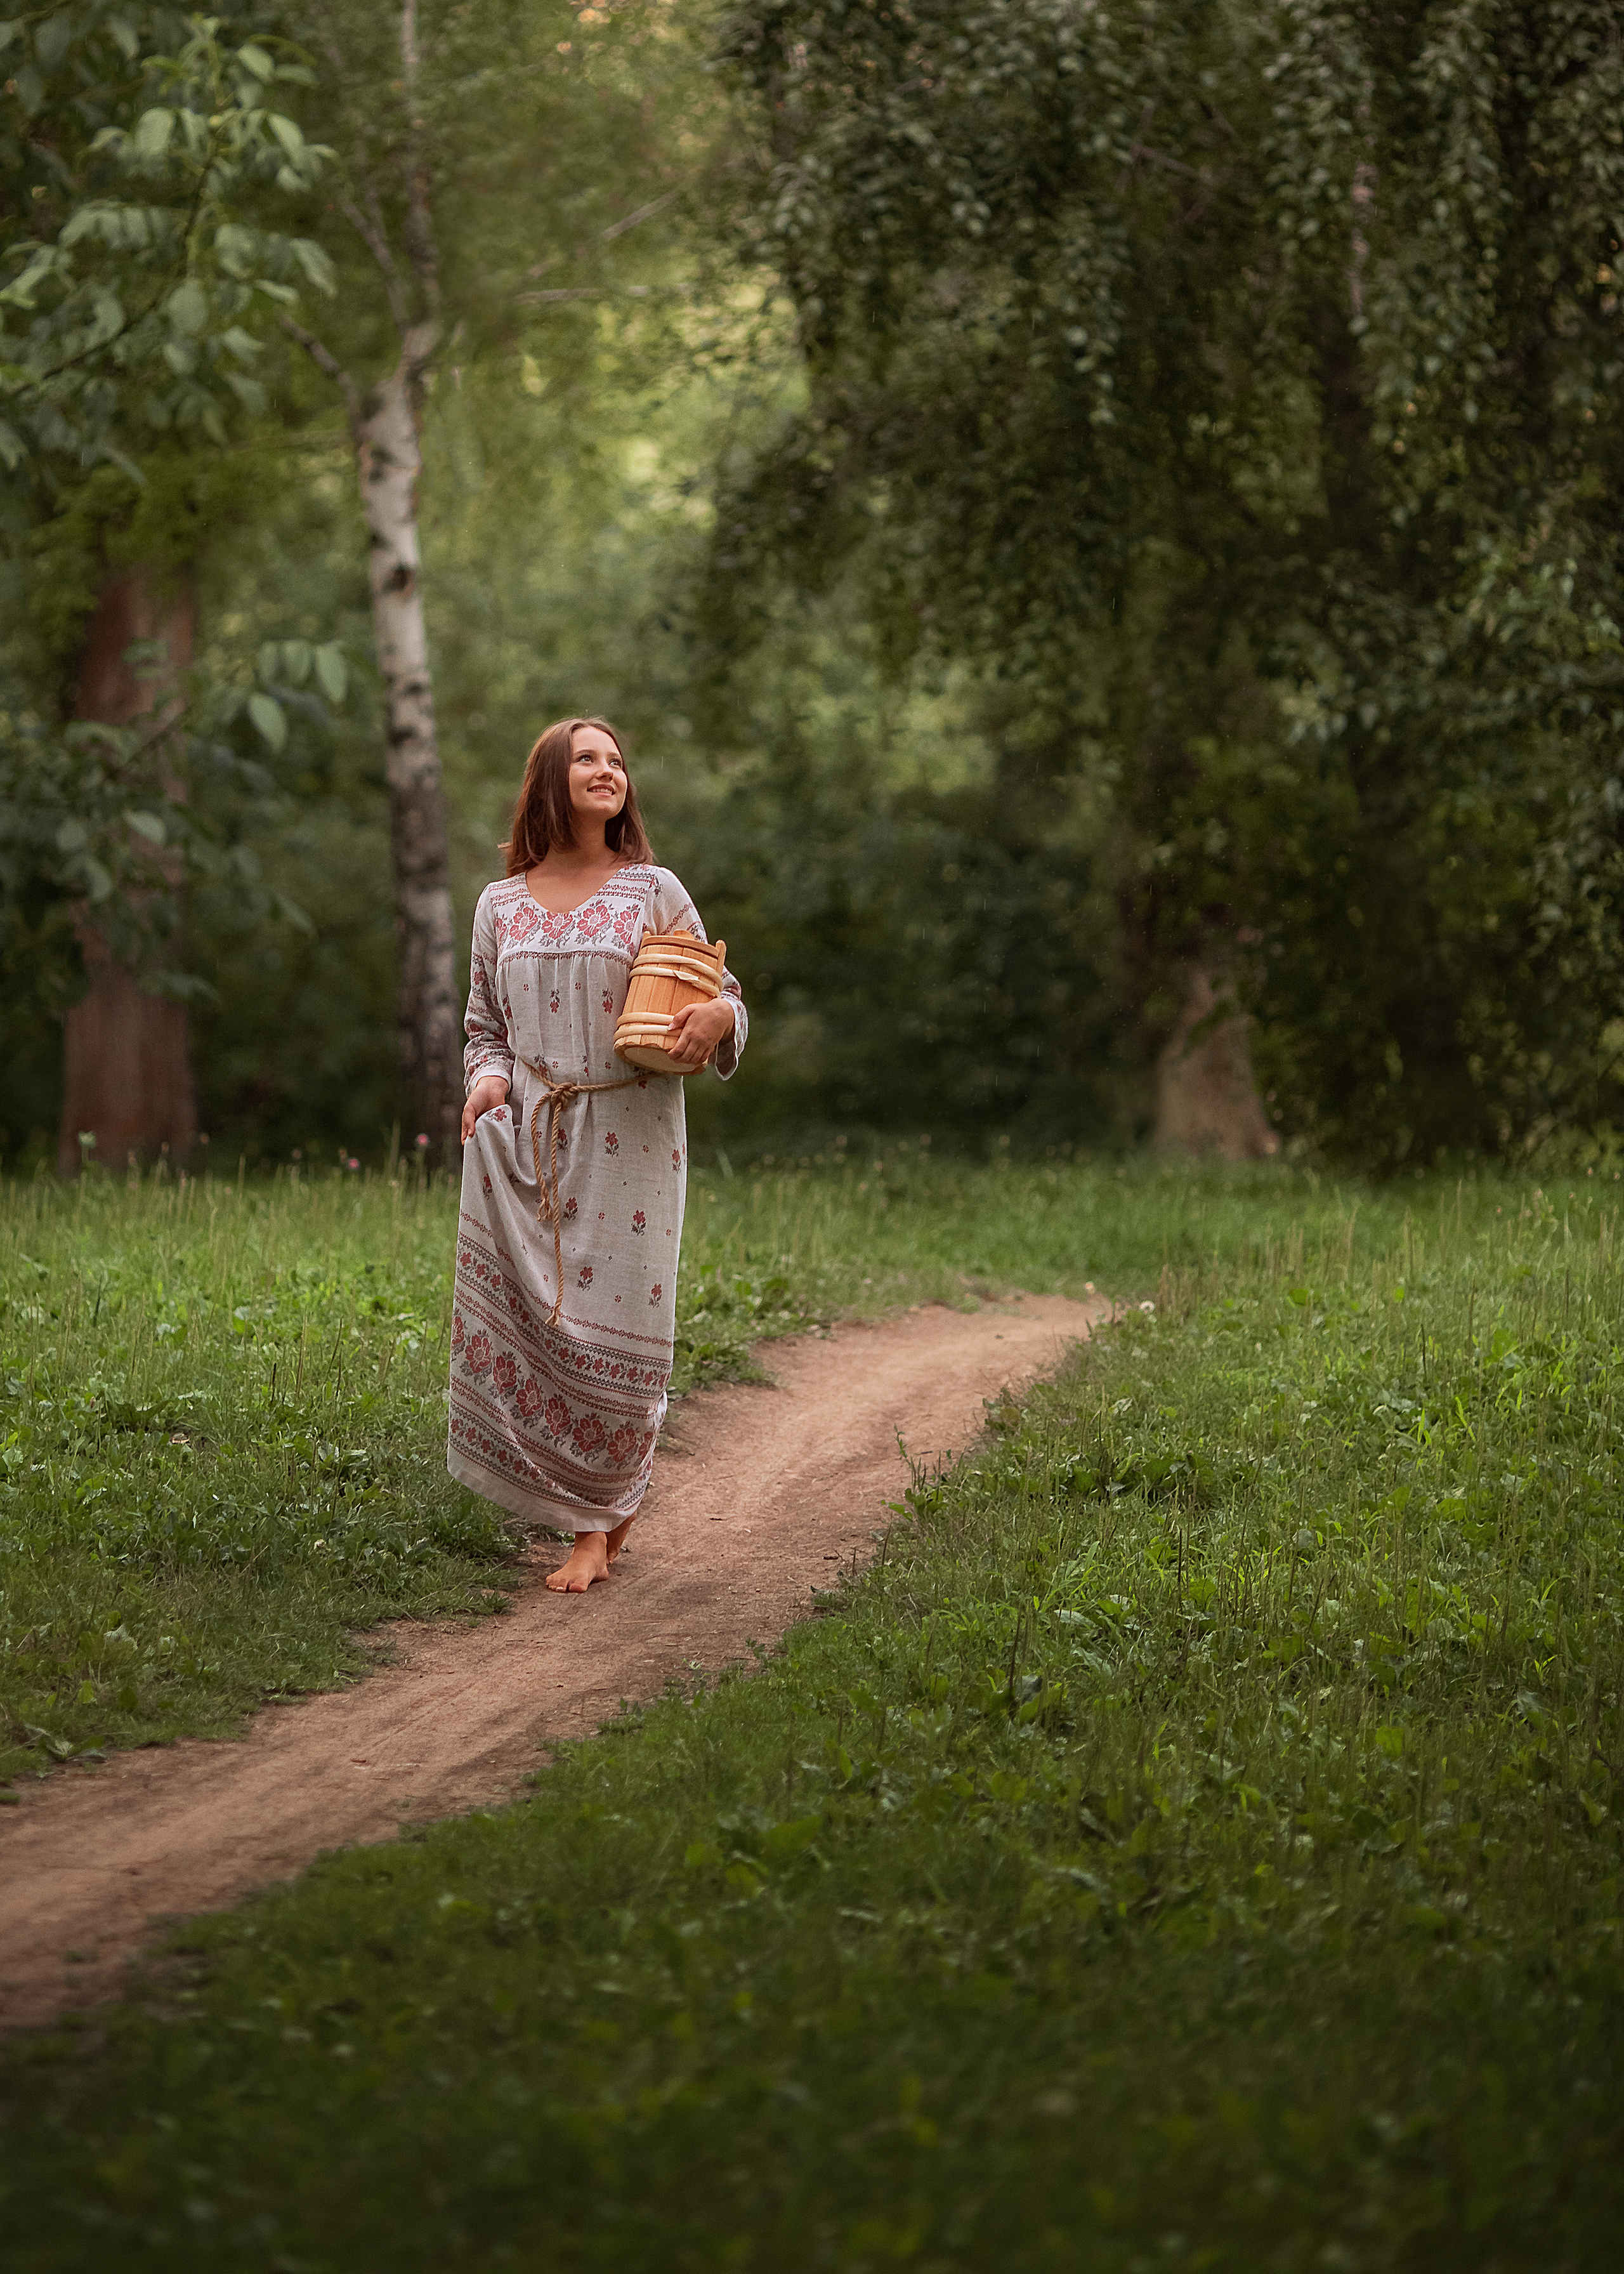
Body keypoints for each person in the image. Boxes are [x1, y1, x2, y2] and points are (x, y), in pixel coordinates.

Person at [448, 716, 745, 1590]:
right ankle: (591, 1506)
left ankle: (598, 1516)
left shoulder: (653, 889)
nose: (608, 770)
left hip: (635, 1133)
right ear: (551, 778)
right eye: (588, 759)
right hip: (534, 1133)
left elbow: (719, 989)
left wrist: (719, 1018)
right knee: (546, 1328)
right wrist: (488, 1083)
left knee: (623, 1327)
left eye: (617, 760)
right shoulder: (498, 905)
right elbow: (483, 1030)